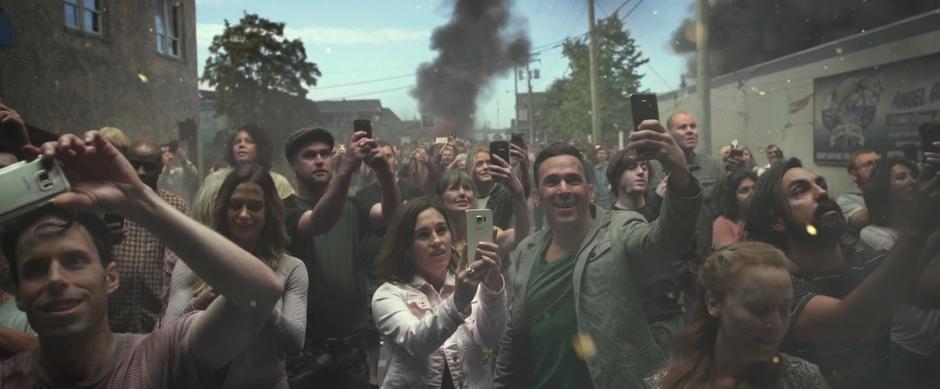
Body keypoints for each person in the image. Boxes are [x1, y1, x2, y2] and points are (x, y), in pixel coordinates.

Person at [0, 130, 285, 387]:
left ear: (110, 277)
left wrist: (137, 199)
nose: (56, 279)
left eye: (74, 261)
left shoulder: (161, 357)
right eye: (35, 269)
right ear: (19, 294)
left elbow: (260, 294)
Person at [494, 119, 703, 389]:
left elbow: (668, 240)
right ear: (536, 197)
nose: (564, 190)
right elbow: (514, 336)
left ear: (591, 192)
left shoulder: (621, 229)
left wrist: (679, 173)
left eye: (573, 180)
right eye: (552, 182)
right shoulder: (527, 250)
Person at [744, 157, 940, 389]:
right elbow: (850, 323)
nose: (821, 193)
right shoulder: (779, 287)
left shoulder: (868, 263)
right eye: (800, 191)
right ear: (778, 221)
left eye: (821, 185)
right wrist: (917, 227)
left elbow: (932, 292)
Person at [163, 164, 308, 388]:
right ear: (223, 209)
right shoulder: (192, 265)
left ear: (269, 212)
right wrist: (202, 301)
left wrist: (259, 300)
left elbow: (295, 342)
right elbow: (167, 338)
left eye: (254, 206)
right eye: (235, 206)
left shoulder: (291, 268)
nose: (243, 214)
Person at [282, 127, 401, 389]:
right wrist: (345, 170)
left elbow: (393, 216)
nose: (320, 160)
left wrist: (384, 172)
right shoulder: (285, 210)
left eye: (325, 153)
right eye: (309, 155)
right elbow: (317, 222)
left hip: (352, 353)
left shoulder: (352, 206)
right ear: (292, 163)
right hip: (306, 357)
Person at [648, 242, 827, 388]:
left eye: (785, 309)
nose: (776, 324)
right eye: (759, 309)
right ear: (714, 303)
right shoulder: (665, 385)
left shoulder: (805, 380)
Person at [371, 199, 507, 388]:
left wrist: (492, 286)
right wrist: (458, 300)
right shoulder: (388, 294)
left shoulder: (469, 284)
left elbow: (491, 338)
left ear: (452, 239)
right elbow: (416, 342)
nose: (436, 241)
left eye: (442, 230)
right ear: (406, 249)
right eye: (424, 235)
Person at [860, 157, 940, 388]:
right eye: (901, 177)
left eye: (914, 176)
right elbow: (909, 274)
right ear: (883, 189)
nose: (912, 182)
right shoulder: (873, 234)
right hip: (903, 346)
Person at [605, 149, 685, 356]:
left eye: (644, 167)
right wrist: (657, 202)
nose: (640, 172)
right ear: (616, 176)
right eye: (631, 168)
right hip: (634, 319)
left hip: (668, 312)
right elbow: (635, 246)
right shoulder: (608, 219)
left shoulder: (664, 209)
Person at [108, 140, 188, 334]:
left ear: (160, 169)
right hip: (109, 318)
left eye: (149, 167)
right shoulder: (109, 202)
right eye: (135, 165)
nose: (141, 172)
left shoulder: (174, 206)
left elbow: (182, 263)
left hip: (156, 322)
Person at [191, 125, 295, 225]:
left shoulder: (278, 182)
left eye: (249, 141)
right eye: (237, 142)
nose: (241, 145)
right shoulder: (214, 179)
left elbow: (288, 219)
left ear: (260, 147)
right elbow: (199, 218)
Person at [435, 166, 529, 265]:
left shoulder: (486, 234)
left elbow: (519, 237)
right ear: (439, 200)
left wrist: (518, 193)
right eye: (454, 188)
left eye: (467, 188)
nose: (462, 193)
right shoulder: (434, 238)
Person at [465, 146, 526, 231]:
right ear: (471, 168)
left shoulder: (503, 194)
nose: (486, 167)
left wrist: (524, 168)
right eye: (479, 164)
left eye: (489, 162)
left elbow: (523, 194)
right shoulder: (465, 196)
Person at [837, 149, 880, 236]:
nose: (876, 167)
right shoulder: (845, 200)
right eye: (868, 164)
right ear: (854, 175)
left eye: (879, 163)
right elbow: (860, 220)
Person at [712, 169, 757, 250]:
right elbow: (729, 258)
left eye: (755, 188)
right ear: (733, 197)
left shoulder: (764, 216)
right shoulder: (723, 223)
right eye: (745, 190)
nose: (752, 194)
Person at [158, 141, 200, 205]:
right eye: (163, 152)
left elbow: (194, 174)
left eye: (169, 151)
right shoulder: (157, 174)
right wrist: (166, 167)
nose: (166, 154)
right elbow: (159, 183)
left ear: (173, 154)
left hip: (182, 212)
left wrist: (184, 160)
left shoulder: (181, 173)